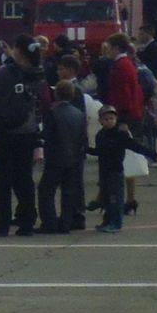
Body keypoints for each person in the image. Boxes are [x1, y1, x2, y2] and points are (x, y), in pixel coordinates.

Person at [0, 42, 44, 236]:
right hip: (27, 132)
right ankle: (27, 221)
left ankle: (3, 223)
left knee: (3, 180)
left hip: (3, 131)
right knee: (24, 178)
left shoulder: (4, 73)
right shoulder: (39, 75)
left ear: (18, 51)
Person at [89, 106, 154, 234]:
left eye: (112, 118)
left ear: (116, 119)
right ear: (100, 121)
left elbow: (134, 146)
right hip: (104, 171)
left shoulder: (120, 135)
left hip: (115, 171)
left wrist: (151, 153)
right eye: (106, 119)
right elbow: (99, 152)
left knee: (115, 199)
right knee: (107, 198)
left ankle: (116, 223)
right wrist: (86, 150)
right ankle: (107, 221)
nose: (109, 121)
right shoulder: (100, 135)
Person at [39, 80, 90, 234]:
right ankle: (66, 223)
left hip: (55, 156)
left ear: (56, 94)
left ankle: (49, 222)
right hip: (74, 157)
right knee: (68, 192)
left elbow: (47, 134)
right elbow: (83, 138)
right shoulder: (79, 114)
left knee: (46, 190)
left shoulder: (52, 112)